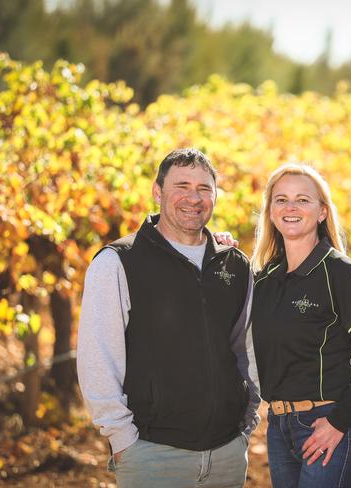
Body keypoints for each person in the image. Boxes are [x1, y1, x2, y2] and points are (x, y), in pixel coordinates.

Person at [76, 148, 260, 488]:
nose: (194, 198)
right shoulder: (118, 263)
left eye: (204, 189)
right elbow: (97, 359)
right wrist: (123, 440)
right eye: (182, 186)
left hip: (226, 455)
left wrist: (245, 427)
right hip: (151, 456)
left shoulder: (235, 265)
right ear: (157, 192)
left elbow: (247, 350)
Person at [250, 163, 351, 487]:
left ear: (322, 212)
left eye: (302, 200)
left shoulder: (342, 273)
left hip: (329, 422)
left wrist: (338, 422)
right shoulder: (264, 281)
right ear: (270, 212)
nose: (291, 208)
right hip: (279, 425)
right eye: (281, 200)